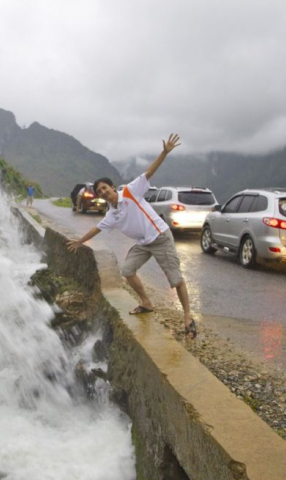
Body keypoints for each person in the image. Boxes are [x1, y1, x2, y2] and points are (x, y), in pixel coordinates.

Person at [66, 134, 197, 338]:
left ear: (111, 187)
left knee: (175, 279)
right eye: (100, 192)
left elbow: (149, 171)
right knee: (127, 270)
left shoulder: (130, 191)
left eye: (104, 188)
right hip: (144, 243)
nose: (103, 192)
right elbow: (96, 229)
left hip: (160, 237)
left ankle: (188, 316)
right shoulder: (111, 213)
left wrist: (164, 152)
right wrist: (79, 241)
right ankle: (146, 302)